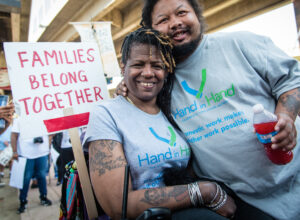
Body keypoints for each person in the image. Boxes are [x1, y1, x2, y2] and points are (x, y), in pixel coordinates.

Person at [115, 0, 300, 219]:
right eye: (163, 20)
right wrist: (127, 85)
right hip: (241, 201)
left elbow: (291, 81)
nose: (175, 23)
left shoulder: (240, 43)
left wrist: (285, 117)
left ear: (196, 14)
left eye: (181, 13)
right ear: (151, 31)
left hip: (294, 175)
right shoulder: (160, 82)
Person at [83, 27, 236, 220]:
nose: (148, 73)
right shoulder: (105, 114)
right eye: (138, 64)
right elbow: (117, 206)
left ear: (166, 70)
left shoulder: (171, 109)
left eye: (157, 65)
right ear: (124, 68)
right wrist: (204, 192)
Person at [11, 117, 52, 214]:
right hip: (26, 154)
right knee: (26, 179)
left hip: (42, 153)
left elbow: (51, 131)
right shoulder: (19, 119)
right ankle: (23, 201)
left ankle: (43, 197)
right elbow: (14, 135)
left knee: (42, 176)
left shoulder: (44, 115)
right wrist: (14, 151)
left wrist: (48, 145)